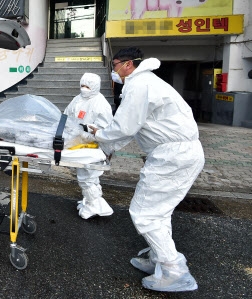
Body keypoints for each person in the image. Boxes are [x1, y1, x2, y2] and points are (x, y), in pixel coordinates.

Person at [89, 47, 204, 292]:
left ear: (128, 64)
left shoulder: (140, 85)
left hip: (173, 156)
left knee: (145, 213)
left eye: (115, 64)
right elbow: (131, 126)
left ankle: (174, 271)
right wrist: (108, 141)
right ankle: (157, 260)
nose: (113, 71)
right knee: (159, 212)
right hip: (175, 153)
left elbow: (124, 127)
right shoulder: (145, 82)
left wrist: (101, 137)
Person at [64, 73, 114, 219]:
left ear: (95, 87)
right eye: (82, 86)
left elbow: (105, 129)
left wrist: (87, 132)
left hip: (93, 146)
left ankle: (95, 206)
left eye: (88, 86)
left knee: (87, 177)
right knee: (89, 175)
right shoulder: (77, 99)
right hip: (78, 144)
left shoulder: (101, 104)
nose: (84, 89)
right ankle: (90, 201)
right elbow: (67, 115)